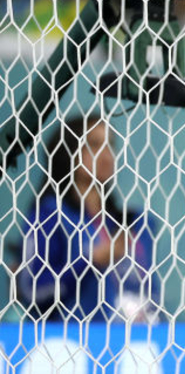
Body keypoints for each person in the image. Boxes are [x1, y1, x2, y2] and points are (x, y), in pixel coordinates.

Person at [17, 115, 158, 323]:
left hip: (133, 338)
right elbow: (31, 291)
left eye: (110, 146)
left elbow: (152, 292)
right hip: (69, 337)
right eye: (93, 145)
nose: (106, 156)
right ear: (69, 151)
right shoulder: (50, 216)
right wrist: (90, 261)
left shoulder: (134, 223)